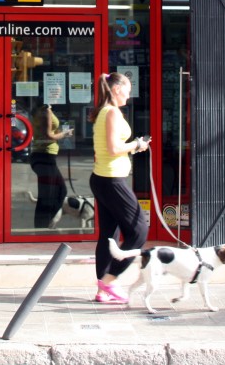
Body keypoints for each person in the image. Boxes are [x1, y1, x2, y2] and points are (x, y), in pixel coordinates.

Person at [88, 72, 149, 304]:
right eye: (128, 90)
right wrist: (137, 144)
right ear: (116, 89)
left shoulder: (104, 112)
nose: (129, 95)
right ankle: (110, 280)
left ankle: (103, 289)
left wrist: (134, 146)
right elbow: (114, 148)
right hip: (112, 180)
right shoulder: (111, 112)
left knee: (109, 235)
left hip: (104, 178)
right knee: (139, 230)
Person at [29, 104, 72, 228]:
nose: (58, 95)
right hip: (45, 156)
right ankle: (43, 226)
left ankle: (43, 225)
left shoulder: (39, 109)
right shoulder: (46, 111)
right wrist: (65, 134)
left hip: (42, 156)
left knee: (50, 193)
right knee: (57, 192)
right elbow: (48, 135)